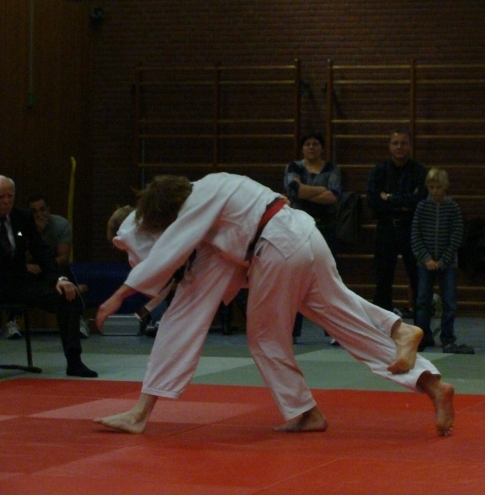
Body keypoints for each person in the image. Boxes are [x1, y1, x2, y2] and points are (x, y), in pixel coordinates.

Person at [94, 173, 454, 437]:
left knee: (265, 339)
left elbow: (173, 263)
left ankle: (305, 412)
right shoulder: (220, 183)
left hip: (277, 248)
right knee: (346, 320)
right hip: (305, 234)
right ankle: (423, 371)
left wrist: (120, 294)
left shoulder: (196, 206)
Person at [0, 176, 96, 377]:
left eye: (10, 196)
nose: (7, 201)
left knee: (67, 296)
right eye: (1, 197)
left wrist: (59, 279)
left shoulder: (22, 218)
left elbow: (42, 252)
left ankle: (74, 361)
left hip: (20, 282)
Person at [284, 131, 342, 344]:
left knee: (328, 280)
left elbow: (333, 196)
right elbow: (293, 190)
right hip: (298, 229)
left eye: (315, 144)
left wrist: (305, 191)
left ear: (322, 148)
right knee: (295, 279)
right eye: (307, 144)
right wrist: (320, 190)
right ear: (302, 148)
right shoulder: (293, 167)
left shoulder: (333, 169)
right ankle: (291, 330)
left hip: (326, 228)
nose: (311, 147)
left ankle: (333, 331)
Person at [367, 128, 427, 315]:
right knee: (383, 280)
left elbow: (420, 201)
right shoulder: (379, 171)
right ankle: (383, 324)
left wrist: (390, 198)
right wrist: (404, 203)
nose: (399, 146)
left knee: (418, 279)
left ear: (410, 146)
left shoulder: (419, 171)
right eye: (395, 143)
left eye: (403, 143)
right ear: (389, 146)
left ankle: (422, 326)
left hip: (412, 229)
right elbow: (373, 202)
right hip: (386, 228)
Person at [411, 168, 471, 354]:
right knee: (422, 300)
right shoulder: (422, 207)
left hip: (448, 264)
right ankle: (422, 337)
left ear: (445, 187)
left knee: (449, 302)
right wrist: (426, 258)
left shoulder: (453, 208)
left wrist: (444, 260)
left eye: (438, 187)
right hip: (425, 263)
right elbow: (415, 235)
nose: (435, 191)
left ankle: (447, 337)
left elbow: (456, 236)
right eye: (431, 187)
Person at [22, 195, 91, 339]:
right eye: (34, 211)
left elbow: (63, 258)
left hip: (52, 268)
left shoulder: (60, 224)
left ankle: (79, 319)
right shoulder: (22, 226)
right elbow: (21, 258)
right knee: (18, 275)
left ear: (49, 210)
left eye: (42, 209)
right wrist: (35, 233)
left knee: (65, 273)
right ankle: (12, 321)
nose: (39, 214)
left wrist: (42, 267)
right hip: (30, 270)